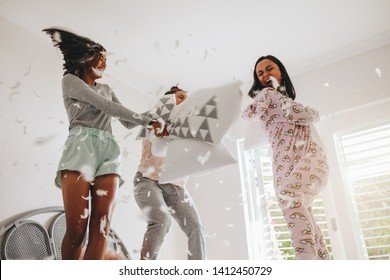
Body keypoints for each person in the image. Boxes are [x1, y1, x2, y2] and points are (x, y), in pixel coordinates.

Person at [43, 27, 164, 260]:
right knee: (77, 228)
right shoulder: (70, 81)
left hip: (109, 150)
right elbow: (107, 107)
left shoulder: (108, 89)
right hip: (81, 147)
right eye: (102, 58)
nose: (105, 64)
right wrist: (148, 121)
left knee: (102, 226)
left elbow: (127, 123)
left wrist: (159, 113)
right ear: (87, 58)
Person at [242, 55, 330, 260]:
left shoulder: (276, 99)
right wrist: (315, 113)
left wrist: (308, 113)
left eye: (269, 69)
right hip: (287, 163)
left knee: (291, 200)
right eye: (260, 73)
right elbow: (303, 115)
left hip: (306, 157)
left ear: (281, 71)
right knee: (303, 214)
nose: (265, 75)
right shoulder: (268, 94)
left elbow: (298, 115)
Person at [133, 85, 206, 260]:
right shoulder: (155, 119)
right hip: (147, 181)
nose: (185, 102)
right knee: (161, 222)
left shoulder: (190, 130)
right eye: (180, 97)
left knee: (196, 227)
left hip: (176, 185)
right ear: (168, 102)